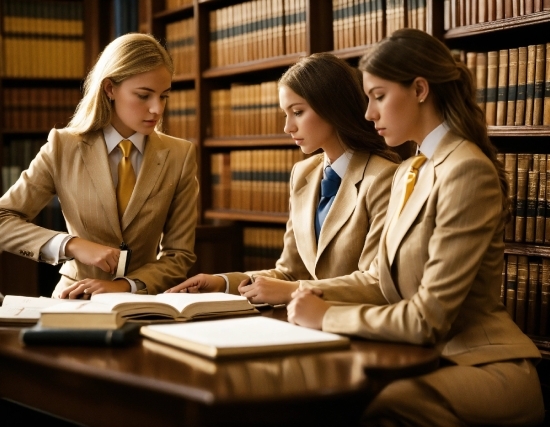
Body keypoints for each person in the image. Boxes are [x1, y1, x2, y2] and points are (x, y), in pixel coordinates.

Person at [287, 28, 545, 426]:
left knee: (392, 404)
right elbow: (378, 280)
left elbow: (427, 319)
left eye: (378, 97)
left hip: (478, 363)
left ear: (420, 89)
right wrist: (306, 292)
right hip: (419, 358)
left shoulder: (466, 170)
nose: (369, 113)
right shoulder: (409, 170)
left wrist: (324, 316)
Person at [166, 53, 400, 304]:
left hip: (354, 324)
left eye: (297, 112)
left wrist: (294, 291)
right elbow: (290, 273)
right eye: (285, 114)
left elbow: (375, 282)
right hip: (306, 321)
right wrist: (222, 283)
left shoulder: (383, 177)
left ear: (332, 107)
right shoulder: (303, 174)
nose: (288, 127)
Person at [0, 33, 198, 299]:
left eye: (164, 97)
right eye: (143, 95)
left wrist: (124, 286)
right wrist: (71, 244)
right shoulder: (63, 146)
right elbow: (3, 219)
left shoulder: (180, 155)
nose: (156, 109)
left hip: (145, 303)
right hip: (74, 299)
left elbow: (179, 254)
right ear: (109, 89)